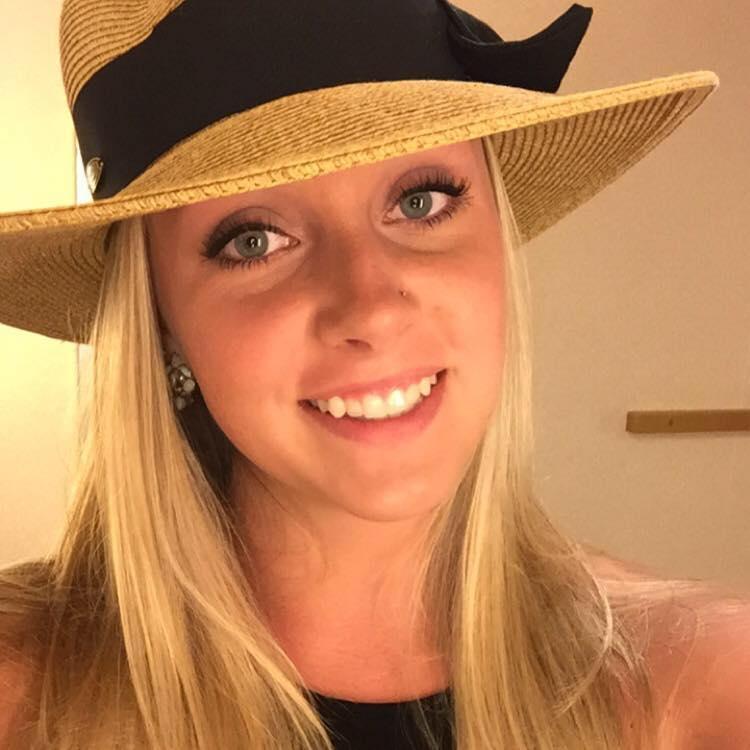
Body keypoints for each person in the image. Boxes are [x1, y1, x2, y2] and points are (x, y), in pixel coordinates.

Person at [0, 1, 747, 748]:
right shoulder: (21, 694)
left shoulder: (707, 684)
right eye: (254, 240)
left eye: (421, 201)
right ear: (161, 319)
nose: (372, 308)